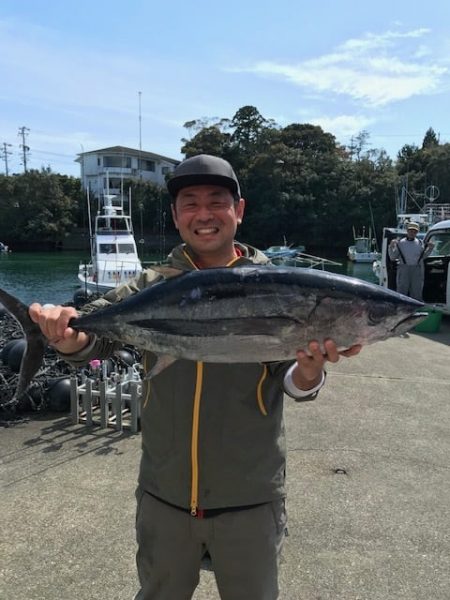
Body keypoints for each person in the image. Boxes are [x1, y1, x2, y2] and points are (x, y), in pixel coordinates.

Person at [29, 154, 362, 600]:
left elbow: (294, 385)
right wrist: (66, 338)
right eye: (190, 203)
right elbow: (95, 335)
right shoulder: (149, 285)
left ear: (239, 210)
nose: (204, 214)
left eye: (216, 201)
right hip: (164, 493)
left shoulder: (280, 287)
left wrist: (309, 370)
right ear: (176, 215)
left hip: (250, 496)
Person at [388, 221, 434, 301]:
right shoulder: (400, 243)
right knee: (401, 293)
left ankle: (416, 311)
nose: (412, 232)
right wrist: (391, 247)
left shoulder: (420, 243)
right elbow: (392, 257)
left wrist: (430, 249)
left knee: (417, 293)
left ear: (417, 232)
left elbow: (423, 257)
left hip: (417, 270)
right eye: (410, 230)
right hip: (404, 269)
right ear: (407, 231)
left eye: (414, 231)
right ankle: (401, 310)